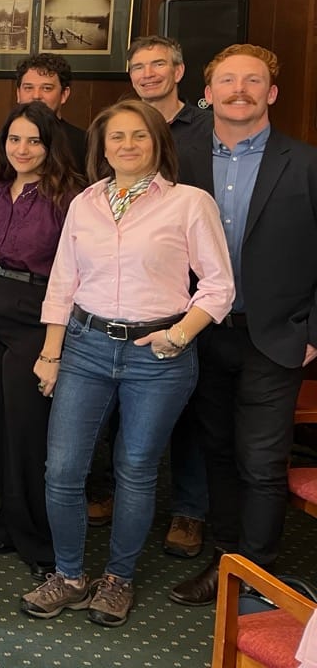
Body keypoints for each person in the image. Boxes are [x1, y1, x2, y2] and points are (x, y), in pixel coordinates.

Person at [22, 100, 233, 628]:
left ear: (159, 142)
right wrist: (50, 354)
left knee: (135, 469)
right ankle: (69, 576)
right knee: (63, 469)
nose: (128, 145)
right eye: (117, 136)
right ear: (102, 147)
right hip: (86, 347)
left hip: (157, 356)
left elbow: (218, 285)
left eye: (139, 135)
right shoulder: (85, 203)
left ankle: (118, 580)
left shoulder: (190, 203)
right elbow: (63, 282)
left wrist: (179, 335)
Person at [168, 44, 317, 607]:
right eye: (227, 81)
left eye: (252, 81)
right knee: (219, 453)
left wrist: (313, 334)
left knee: (261, 461)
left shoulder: (306, 163)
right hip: (203, 332)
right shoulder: (178, 159)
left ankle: (258, 578)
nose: (239, 90)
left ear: (271, 93)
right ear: (208, 94)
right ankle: (227, 563)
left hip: (276, 336)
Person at [0, 102, 84, 578]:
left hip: (36, 317)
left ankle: (39, 538)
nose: (22, 149)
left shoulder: (69, 197)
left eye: (34, 140)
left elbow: (74, 270)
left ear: (50, 145)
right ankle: (10, 518)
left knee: (28, 430)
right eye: (14, 139)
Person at [126, 35, 215, 558]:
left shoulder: (205, 129)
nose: (148, 73)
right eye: (139, 66)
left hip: (193, 291)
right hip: (134, 288)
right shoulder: (124, 126)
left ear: (179, 71)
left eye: (158, 64)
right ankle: (118, 494)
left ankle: (188, 509)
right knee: (123, 409)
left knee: (189, 412)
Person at [0, 54, 88, 199]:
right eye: (28, 88)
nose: (36, 96)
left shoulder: (86, 144)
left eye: (46, 88)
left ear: (64, 94)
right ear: (18, 93)